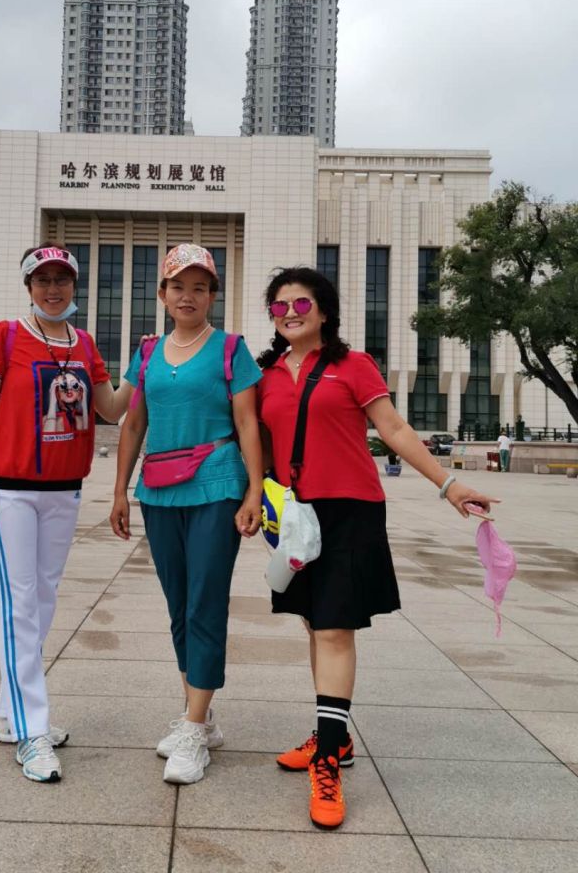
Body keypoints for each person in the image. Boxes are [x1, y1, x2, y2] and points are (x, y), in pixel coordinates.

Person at [256, 267, 498, 830]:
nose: (290, 313)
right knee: (314, 624)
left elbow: (394, 429)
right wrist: (251, 499)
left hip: (350, 511)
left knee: (335, 629)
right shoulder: (265, 374)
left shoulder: (353, 365)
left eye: (301, 304)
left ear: (324, 311)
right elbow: (259, 440)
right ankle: (334, 736)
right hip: (295, 515)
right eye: (280, 306)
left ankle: (327, 761)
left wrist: (448, 484)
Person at [0, 243, 134, 784]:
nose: (53, 289)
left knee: (44, 600)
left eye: (62, 279)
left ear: (74, 285)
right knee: (19, 604)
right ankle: (32, 730)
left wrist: (142, 366)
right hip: (9, 491)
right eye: (42, 280)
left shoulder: (83, 343)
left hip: (63, 490)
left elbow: (110, 408)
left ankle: (11, 715)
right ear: (29, 286)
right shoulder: (6, 336)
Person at [110, 244, 264, 786]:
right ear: (162, 294)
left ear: (212, 296)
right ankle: (200, 715)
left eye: (200, 287)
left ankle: (194, 728)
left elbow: (247, 423)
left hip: (217, 486)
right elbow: (133, 423)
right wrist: (119, 491)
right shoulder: (148, 352)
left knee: (204, 602)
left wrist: (253, 491)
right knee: (178, 605)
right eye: (178, 286)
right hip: (158, 491)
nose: (188, 296)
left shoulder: (230, 349)